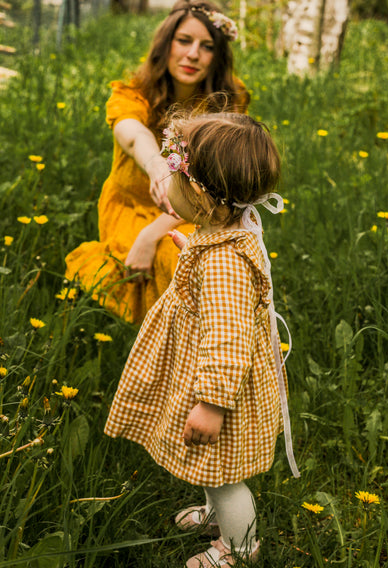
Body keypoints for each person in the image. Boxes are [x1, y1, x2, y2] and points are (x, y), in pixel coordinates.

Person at [104, 112, 300, 568]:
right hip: (211, 379)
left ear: (199, 193)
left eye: (173, 173)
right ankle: (216, 514)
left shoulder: (223, 265)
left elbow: (229, 341)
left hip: (222, 393)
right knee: (213, 463)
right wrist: (191, 254)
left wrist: (211, 405)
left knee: (229, 475)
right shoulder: (220, 236)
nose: (165, 182)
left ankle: (238, 548)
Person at [65, 0, 249, 324]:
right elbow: (133, 133)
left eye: (206, 46)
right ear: (166, 44)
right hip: (131, 207)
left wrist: (151, 235)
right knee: (177, 259)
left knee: (200, 258)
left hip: (199, 208)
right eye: (184, 41)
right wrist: (157, 165)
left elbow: (220, 184)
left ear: (218, 55)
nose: (193, 54)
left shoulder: (228, 101)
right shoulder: (132, 94)